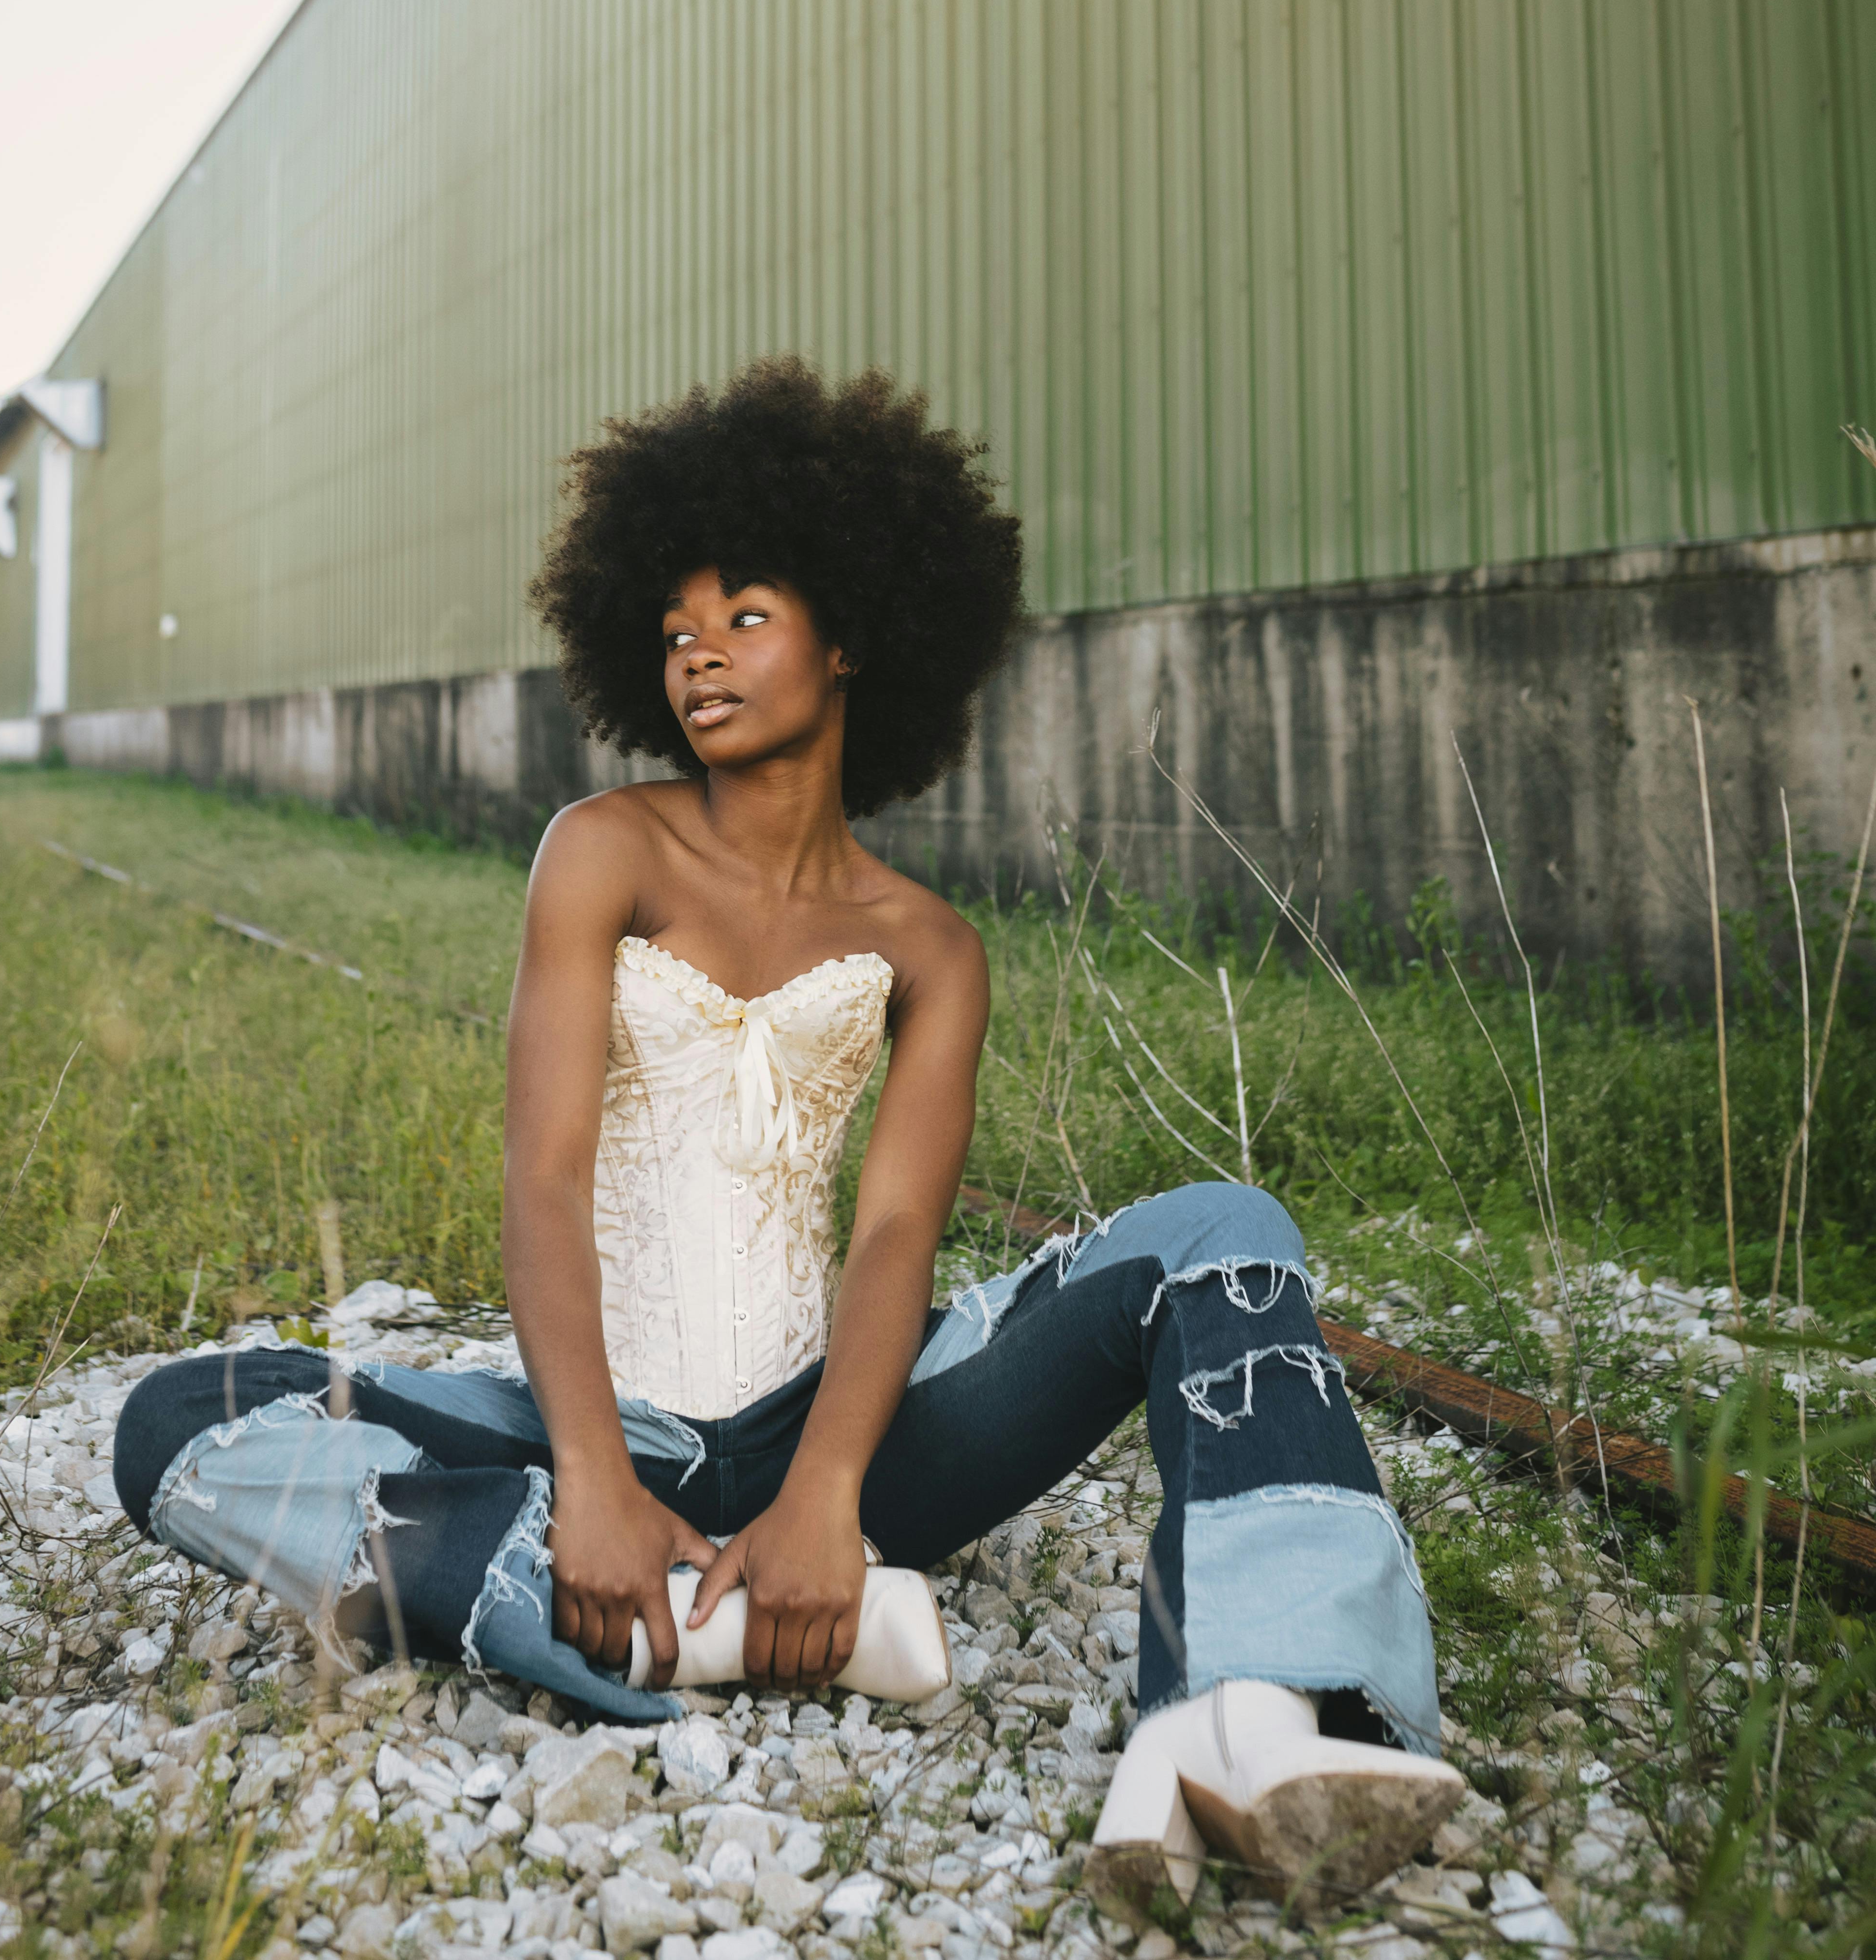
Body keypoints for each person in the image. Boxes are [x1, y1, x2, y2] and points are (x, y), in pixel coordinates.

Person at [114, 360, 1459, 1908]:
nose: (698, 657)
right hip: (607, 1431)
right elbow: (542, 1180)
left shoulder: (931, 944)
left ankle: (1248, 1712)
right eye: (675, 631)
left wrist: (827, 1491)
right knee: (182, 1417)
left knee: (1227, 1232)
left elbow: (896, 1234)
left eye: (744, 616)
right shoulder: (601, 851)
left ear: (851, 640)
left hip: (852, 1436)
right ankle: (680, 1607)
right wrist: (596, 1470)